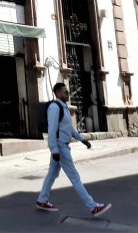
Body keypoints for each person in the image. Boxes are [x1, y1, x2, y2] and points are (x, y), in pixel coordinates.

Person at [36, 82, 111, 217]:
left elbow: (69, 128)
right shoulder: (54, 107)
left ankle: (42, 200)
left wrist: (82, 139)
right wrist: (54, 150)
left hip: (63, 146)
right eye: (65, 92)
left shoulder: (63, 107)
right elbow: (51, 130)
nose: (68, 94)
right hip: (60, 147)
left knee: (52, 174)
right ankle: (93, 206)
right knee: (75, 178)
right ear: (58, 93)